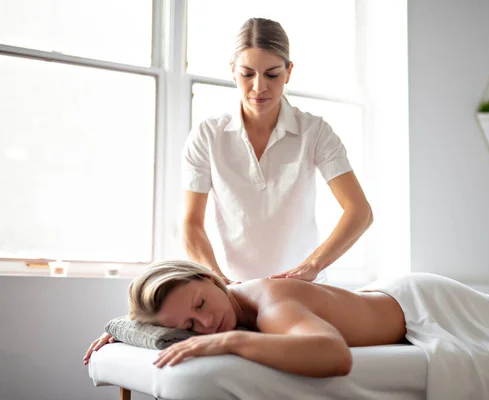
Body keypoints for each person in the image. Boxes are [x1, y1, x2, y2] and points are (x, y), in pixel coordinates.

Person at [181, 17, 373, 284]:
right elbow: (191, 225)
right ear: (233, 71)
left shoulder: (315, 132)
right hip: (232, 290)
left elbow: (359, 211)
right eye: (247, 74)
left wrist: (313, 265)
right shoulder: (207, 136)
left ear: (289, 71)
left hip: (303, 289)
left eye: (272, 74)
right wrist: (216, 279)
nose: (259, 87)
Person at [83, 259, 407, 377]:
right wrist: (128, 332)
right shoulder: (230, 301)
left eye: (200, 304)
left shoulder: (271, 305)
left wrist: (232, 341)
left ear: (211, 278)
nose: (208, 324)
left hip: (423, 306)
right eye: (189, 327)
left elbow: (336, 357)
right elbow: (170, 314)